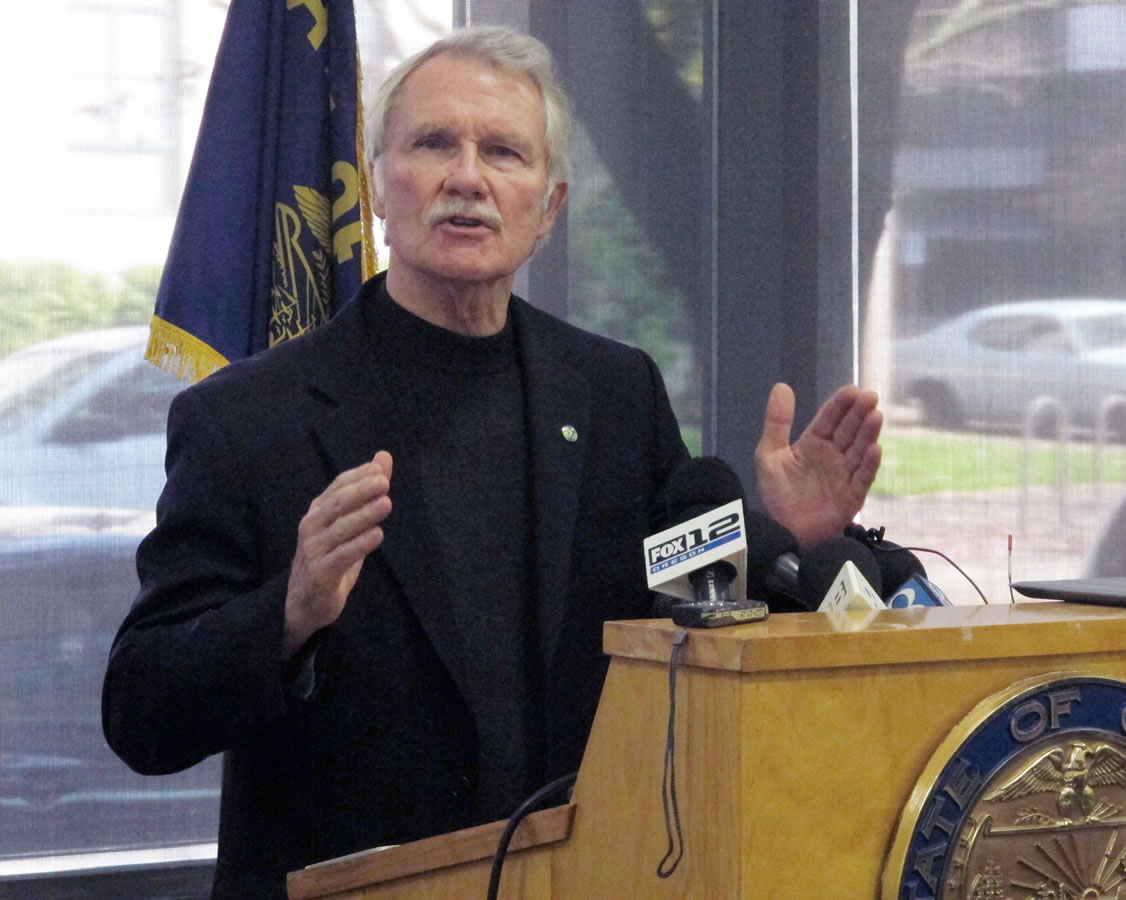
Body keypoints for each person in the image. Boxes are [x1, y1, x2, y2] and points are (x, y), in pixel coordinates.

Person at [102, 25, 882, 898]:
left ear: (547, 208)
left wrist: (782, 538)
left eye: (503, 152)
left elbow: (688, 606)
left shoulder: (614, 393)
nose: (467, 177)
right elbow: (141, 712)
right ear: (377, 194)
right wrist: (288, 614)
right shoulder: (247, 419)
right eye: (435, 144)